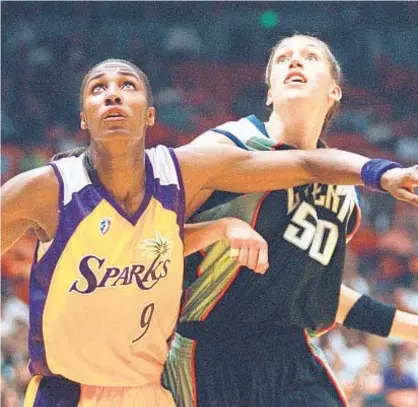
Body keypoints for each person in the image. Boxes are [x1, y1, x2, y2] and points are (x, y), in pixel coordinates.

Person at [2, 58, 417, 407]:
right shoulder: (45, 189)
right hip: (66, 391)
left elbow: (306, 166)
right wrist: (223, 226)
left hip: (150, 391)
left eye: (127, 85)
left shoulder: (183, 171)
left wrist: (381, 174)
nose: (112, 93)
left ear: (150, 114)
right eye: (98, 88)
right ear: (83, 117)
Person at [163, 35, 418, 407]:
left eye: (309, 57)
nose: (294, 62)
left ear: (334, 92)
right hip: (211, 349)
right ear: (268, 94)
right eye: (282, 59)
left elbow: (317, 294)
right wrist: (220, 228)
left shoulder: (344, 197)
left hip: (291, 355)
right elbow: (150, 233)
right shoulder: (227, 144)